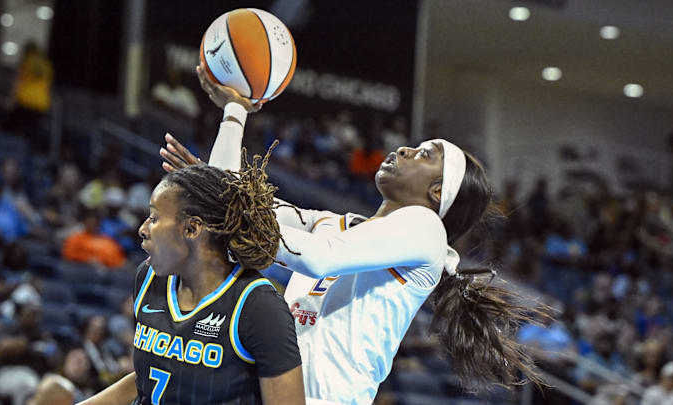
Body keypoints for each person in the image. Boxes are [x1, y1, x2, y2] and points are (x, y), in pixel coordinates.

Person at [158, 64, 550, 405]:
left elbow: (317, 256)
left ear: (437, 193)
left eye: (424, 155)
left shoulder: (427, 232)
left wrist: (229, 206)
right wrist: (235, 112)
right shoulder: (335, 224)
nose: (404, 150)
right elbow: (232, 199)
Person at [78, 157, 305, 404]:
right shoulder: (148, 278)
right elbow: (146, 380)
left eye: (154, 218)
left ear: (191, 229)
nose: (143, 229)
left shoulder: (258, 307)